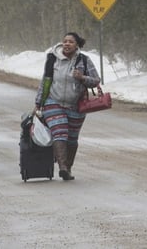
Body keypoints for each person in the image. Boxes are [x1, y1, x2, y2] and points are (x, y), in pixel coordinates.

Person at [34, 31, 100, 181]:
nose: (67, 44)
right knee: (60, 132)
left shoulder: (84, 60)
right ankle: (62, 167)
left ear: (77, 45)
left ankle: (68, 168)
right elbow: (45, 81)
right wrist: (38, 103)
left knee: (72, 138)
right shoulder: (52, 58)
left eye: (70, 42)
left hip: (76, 105)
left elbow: (96, 80)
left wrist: (82, 77)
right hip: (53, 101)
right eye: (65, 41)